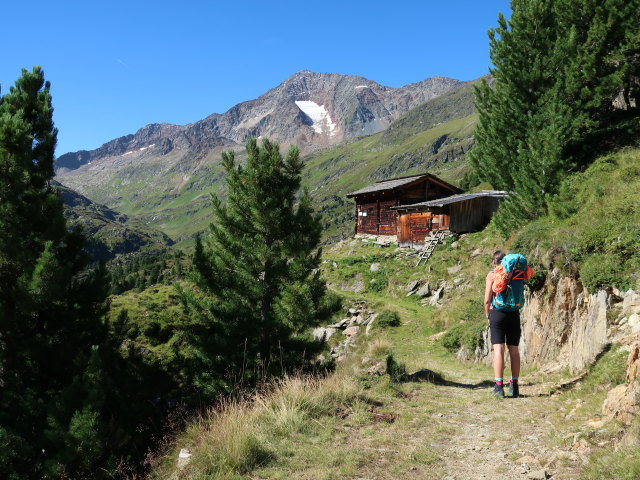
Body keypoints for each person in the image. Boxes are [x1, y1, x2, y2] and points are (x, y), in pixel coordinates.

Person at [484, 250, 523, 398]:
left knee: (499, 349)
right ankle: (515, 386)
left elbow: (487, 300)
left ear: (495, 262)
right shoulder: (516, 273)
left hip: (497, 314)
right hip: (514, 313)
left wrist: (488, 314)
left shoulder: (492, 274)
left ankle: (499, 387)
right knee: (514, 350)